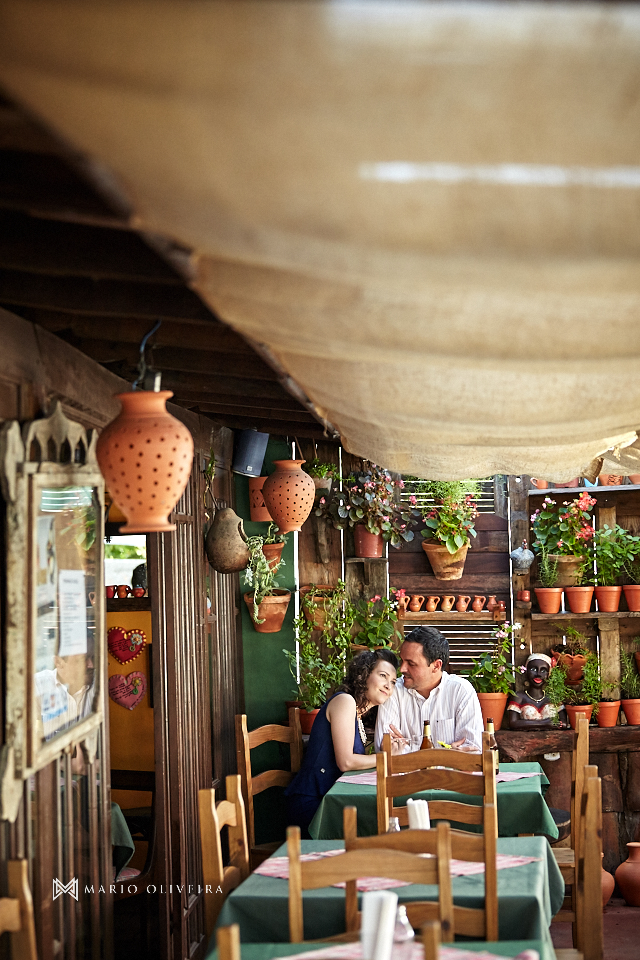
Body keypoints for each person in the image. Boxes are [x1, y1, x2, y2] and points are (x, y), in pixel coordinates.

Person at [285, 649, 399, 837]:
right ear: (363, 675)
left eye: (393, 682)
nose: (389, 685)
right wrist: (387, 757)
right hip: (313, 805)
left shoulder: (356, 713)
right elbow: (346, 762)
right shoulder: (345, 701)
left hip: (330, 800)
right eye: (383, 676)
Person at [375, 626, 483, 753]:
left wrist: (407, 750)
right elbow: (385, 749)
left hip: (450, 774)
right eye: (402, 660)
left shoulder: (461, 691)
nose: (402, 669)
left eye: (411, 663)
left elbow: (473, 750)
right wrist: (447, 754)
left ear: (436, 666)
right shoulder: (393, 691)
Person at [507, 654, 569, 729]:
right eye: (533, 669)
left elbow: (564, 723)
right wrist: (545, 723)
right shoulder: (518, 697)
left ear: (549, 674)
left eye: (543, 670)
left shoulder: (554, 697)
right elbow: (513, 723)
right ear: (526, 671)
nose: (538, 674)